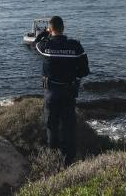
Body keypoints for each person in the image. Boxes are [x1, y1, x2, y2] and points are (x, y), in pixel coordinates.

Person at [35, 16, 89, 165]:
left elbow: (36, 42)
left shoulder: (46, 46)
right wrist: (74, 74)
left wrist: (45, 33)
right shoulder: (76, 46)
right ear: (63, 28)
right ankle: (68, 160)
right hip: (69, 90)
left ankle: (53, 157)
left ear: (50, 29)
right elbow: (84, 71)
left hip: (51, 91)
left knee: (51, 124)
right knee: (68, 125)